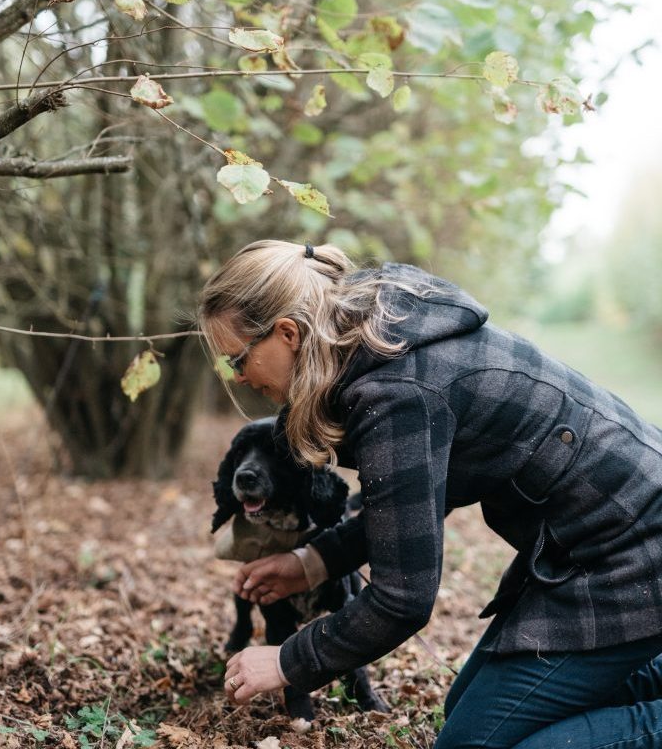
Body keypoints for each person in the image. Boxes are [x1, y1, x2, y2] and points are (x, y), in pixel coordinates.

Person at [197, 239, 662, 748]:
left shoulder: (396, 389)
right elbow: (410, 506)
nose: (237, 376)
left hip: (635, 555)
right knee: (462, 709)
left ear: (287, 333)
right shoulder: (382, 342)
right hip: (586, 551)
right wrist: (315, 562)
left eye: (236, 360)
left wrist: (288, 659)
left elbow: (402, 600)